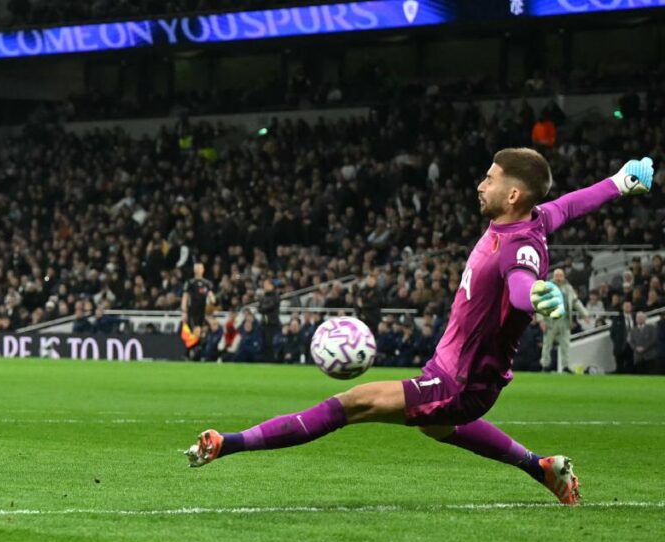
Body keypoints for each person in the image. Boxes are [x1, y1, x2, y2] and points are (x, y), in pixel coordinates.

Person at [184, 149, 655, 506]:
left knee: (353, 403)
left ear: (512, 194)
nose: (479, 184)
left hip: (460, 381)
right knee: (440, 430)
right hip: (452, 368)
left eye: (489, 179)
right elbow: (570, 205)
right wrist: (619, 181)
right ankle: (543, 469)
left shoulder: (519, 248)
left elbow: (519, 285)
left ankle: (229, 443)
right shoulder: (530, 217)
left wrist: (535, 295)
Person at [540, 268, 588, 373]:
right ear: (553, 276)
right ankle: (545, 365)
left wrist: (584, 314)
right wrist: (541, 320)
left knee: (565, 345)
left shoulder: (568, 288)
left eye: (560, 275)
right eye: (556, 275)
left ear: (563, 277)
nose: (558, 278)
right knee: (547, 344)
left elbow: (576, 302)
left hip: (564, 320)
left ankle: (565, 366)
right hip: (550, 321)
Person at [180, 262, 215, 357]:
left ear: (203, 270)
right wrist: (184, 311)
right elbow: (185, 297)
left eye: (200, 268)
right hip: (193, 312)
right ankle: (190, 353)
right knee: (196, 332)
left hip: (204, 312)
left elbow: (211, 296)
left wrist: (213, 302)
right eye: (196, 268)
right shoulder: (190, 283)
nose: (198, 270)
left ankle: (193, 353)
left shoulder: (207, 283)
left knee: (203, 333)